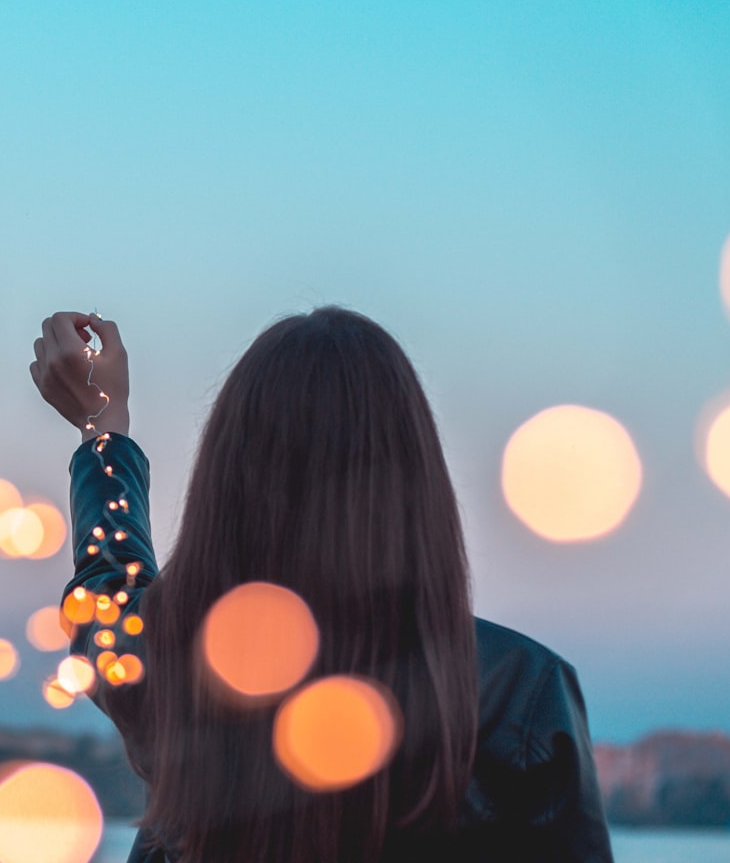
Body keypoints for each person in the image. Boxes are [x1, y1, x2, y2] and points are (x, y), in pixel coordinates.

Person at [31, 307, 615, 863]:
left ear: (228, 483)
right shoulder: (519, 694)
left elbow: (105, 595)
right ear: (414, 481)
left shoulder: (173, 660)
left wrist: (103, 426)